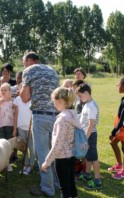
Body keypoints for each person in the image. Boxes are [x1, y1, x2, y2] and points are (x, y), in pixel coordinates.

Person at [20, 51, 59, 197]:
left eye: (24, 62)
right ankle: (56, 182)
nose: (24, 65)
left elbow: (24, 98)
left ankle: (47, 189)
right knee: (54, 151)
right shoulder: (52, 70)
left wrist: (20, 91)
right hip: (56, 116)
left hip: (40, 117)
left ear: (30, 60)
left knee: (43, 153)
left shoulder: (28, 71)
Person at [42, 87, 81, 198]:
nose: (54, 104)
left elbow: (57, 144)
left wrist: (47, 162)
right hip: (72, 155)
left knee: (64, 188)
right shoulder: (73, 115)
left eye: (54, 102)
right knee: (71, 184)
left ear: (60, 101)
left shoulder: (62, 119)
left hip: (62, 158)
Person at [76, 83, 101, 190]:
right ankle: (87, 174)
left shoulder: (92, 106)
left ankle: (97, 180)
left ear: (86, 93)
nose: (80, 99)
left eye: (80, 96)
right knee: (88, 157)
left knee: (93, 158)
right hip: (86, 134)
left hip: (90, 135)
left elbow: (91, 125)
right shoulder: (86, 103)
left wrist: (85, 139)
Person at [13, 88, 34, 175]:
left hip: (31, 128)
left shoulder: (33, 100)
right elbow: (16, 114)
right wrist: (14, 129)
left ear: (29, 94)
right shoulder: (17, 100)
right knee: (24, 147)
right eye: (21, 95)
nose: (22, 98)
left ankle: (31, 165)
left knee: (31, 148)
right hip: (21, 127)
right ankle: (25, 164)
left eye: (24, 95)